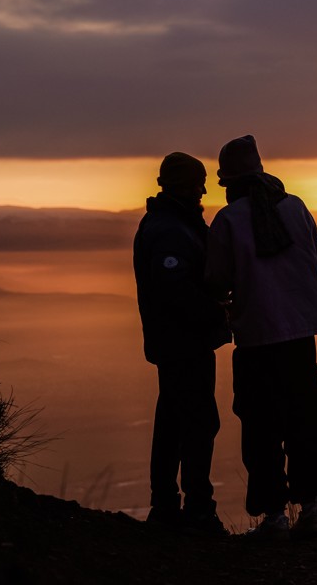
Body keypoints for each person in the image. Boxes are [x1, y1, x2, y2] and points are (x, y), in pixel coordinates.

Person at [205, 135, 317, 541]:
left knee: (261, 427)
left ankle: (274, 516)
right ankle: (311, 510)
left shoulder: (228, 221)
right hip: (299, 336)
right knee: (304, 421)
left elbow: (216, 279)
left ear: (229, 183)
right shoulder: (295, 208)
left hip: (257, 339)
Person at [133, 152, 231, 536]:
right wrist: (215, 312)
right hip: (184, 343)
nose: (203, 190)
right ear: (183, 185)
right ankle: (197, 511)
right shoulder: (172, 229)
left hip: (176, 342)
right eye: (198, 182)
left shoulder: (169, 223)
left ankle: (167, 508)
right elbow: (175, 289)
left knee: (173, 422)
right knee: (197, 422)